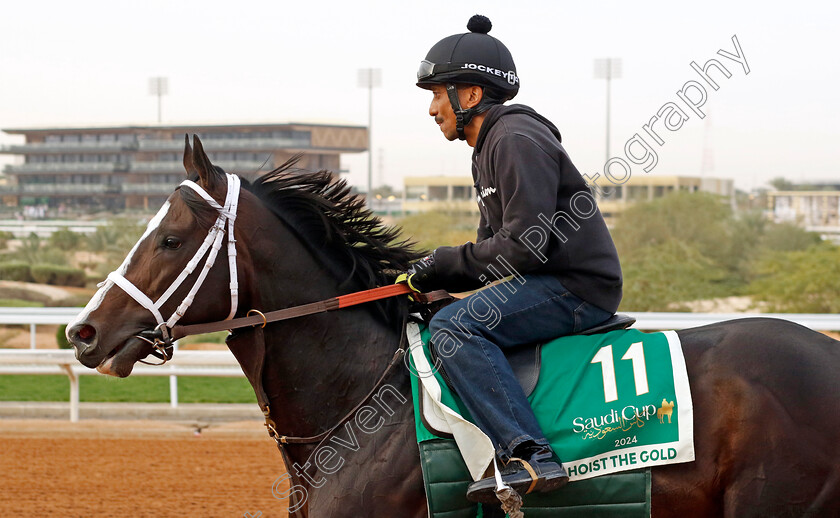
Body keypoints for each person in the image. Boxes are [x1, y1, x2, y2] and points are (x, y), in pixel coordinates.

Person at [406, 15, 623, 503]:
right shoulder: (487, 148)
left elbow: (525, 245)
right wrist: (445, 286)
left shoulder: (514, 138)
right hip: (550, 283)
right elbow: (494, 252)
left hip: (576, 290)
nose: (431, 108)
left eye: (437, 93)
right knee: (448, 313)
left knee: (455, 329)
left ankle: (529, 455)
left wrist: (442, 261)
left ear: (469, 96)